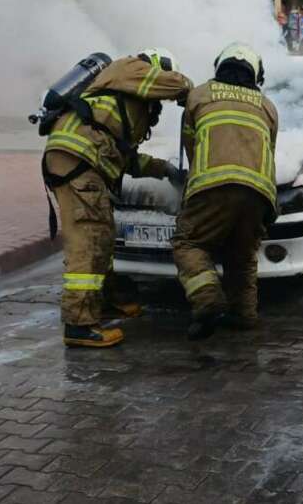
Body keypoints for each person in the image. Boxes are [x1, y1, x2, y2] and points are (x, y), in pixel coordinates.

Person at [43, 49, 193, 348]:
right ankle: (78, 325)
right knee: (88, 239)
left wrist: (165, 170)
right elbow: (179, 83)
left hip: (82, 159)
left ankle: (104, 302)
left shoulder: (125, 100)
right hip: (79, 160)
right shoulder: (129, 68)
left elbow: (126, 159)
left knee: (103, 236)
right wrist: (189, 91)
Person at [173, 43, 279, 340]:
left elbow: (190, 147)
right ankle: (244, 315)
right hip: (259, 192)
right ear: (256, 74)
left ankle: (207, 299)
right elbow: (270, 151)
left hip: (211, 186)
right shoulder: (267, 106)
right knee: (242, 255)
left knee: (188, 243)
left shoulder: (199, 95)